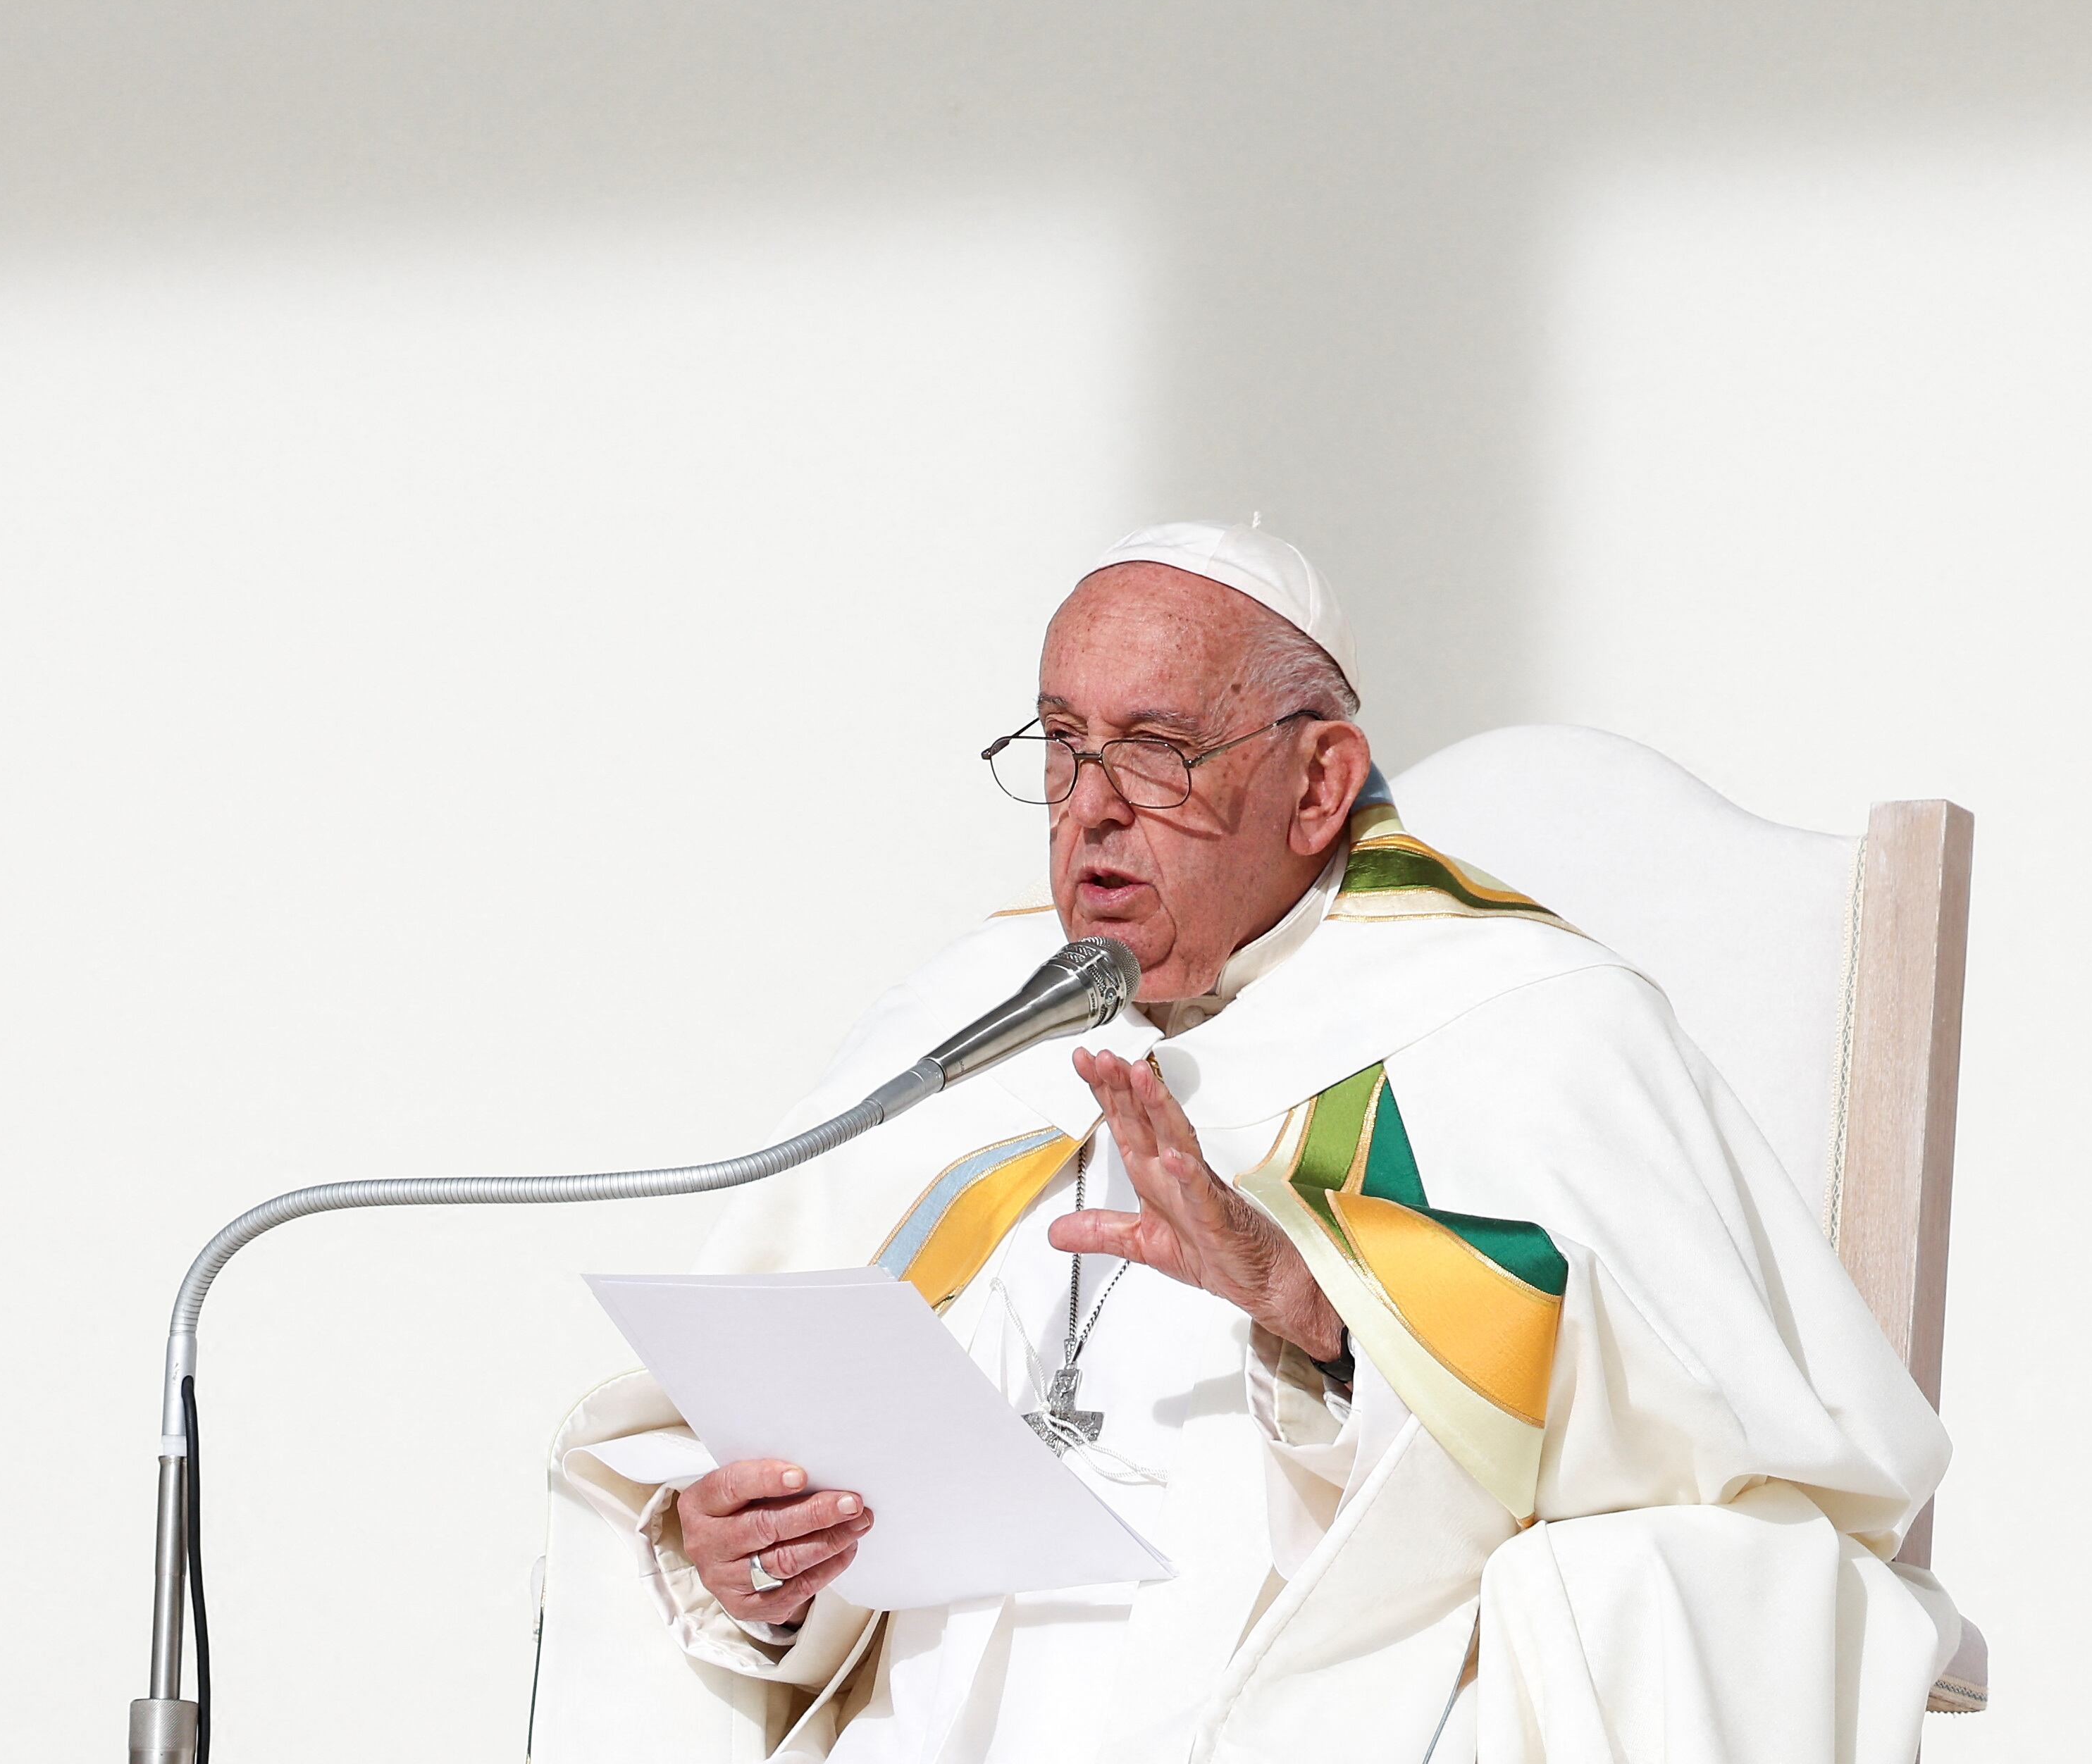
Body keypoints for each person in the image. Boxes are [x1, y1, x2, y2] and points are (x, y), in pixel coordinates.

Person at [528, 521, 1967, 1763]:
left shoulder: (1528, 1024)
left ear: (1320, 784)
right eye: (1063, 747)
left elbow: (1720, 1467)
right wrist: (753, 1568)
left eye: (1157, 753)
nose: (1093, 808)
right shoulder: (964, 1030)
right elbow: (775, 1500)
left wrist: (1324, 1323)